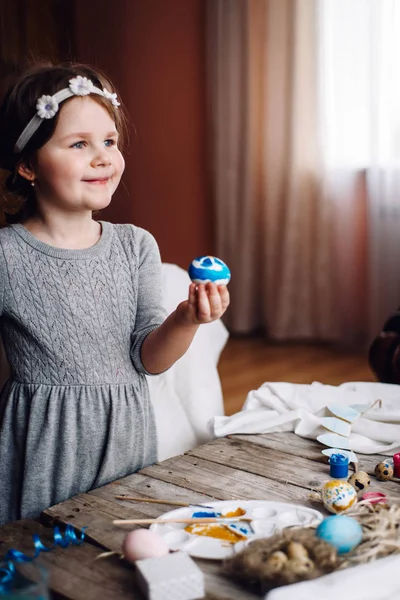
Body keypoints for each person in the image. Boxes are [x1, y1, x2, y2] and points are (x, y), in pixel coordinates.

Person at [0, 62, 230, 524]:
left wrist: (187, 319)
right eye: (79, 144)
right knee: (40, 561)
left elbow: (149, 359)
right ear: (27, 164)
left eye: (109, 141)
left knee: (118, 547)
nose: (103, 156)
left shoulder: (135, 245)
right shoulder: (7, 254)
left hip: (127, 440)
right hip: (45, 447)